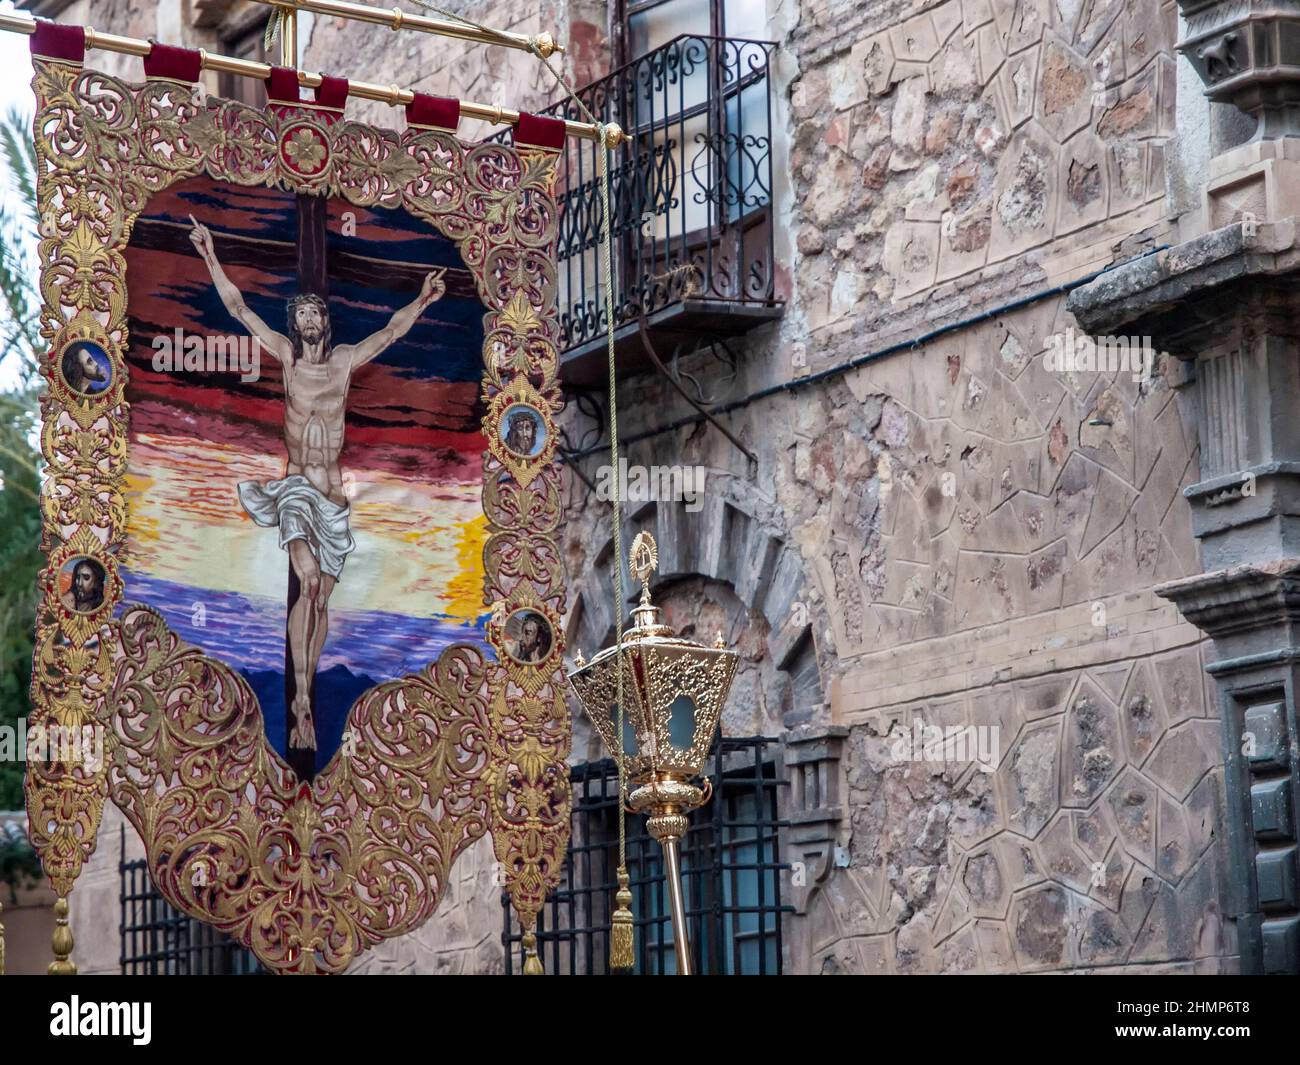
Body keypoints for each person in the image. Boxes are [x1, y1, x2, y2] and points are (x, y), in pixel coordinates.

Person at [189, 216, 447, 749]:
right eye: (300, 313)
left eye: (314, 312)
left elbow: (390, 332)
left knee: (322, 600)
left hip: (332, 497)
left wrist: (423, 300)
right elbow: (240, 309)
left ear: (325, 323)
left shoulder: (345, 362)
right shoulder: (285, 358)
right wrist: (210, 253)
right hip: (297, 490)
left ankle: (307, 691)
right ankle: (300, 699)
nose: (307, 319)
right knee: (306, 584)